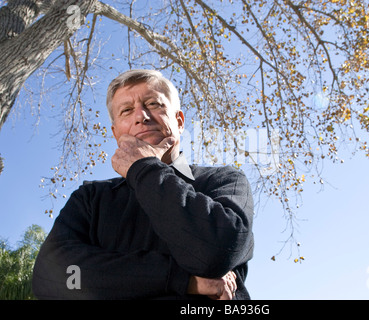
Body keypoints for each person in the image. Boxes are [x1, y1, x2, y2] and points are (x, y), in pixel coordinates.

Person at [32, 69, 254, 300]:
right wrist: (181, 279)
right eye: (127, 110)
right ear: (116, 133)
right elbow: (52, 278)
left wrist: (144, 168)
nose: (141, 116)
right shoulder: (90, 198)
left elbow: (216, 252)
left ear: (179, 121)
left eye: (154, 104)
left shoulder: (225, 181)